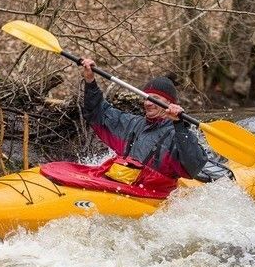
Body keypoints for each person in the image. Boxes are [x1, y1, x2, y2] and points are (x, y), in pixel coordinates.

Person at [77, 58, 209, 197]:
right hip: (122, 187)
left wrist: (179, 125)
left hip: (152, 195)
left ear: (169, 103)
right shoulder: (132, 123)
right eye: (146, 98)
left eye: (155, 99)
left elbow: (193, 166)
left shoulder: (177, 133)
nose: (147, 103)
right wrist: (90, 81)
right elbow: (97, 114)